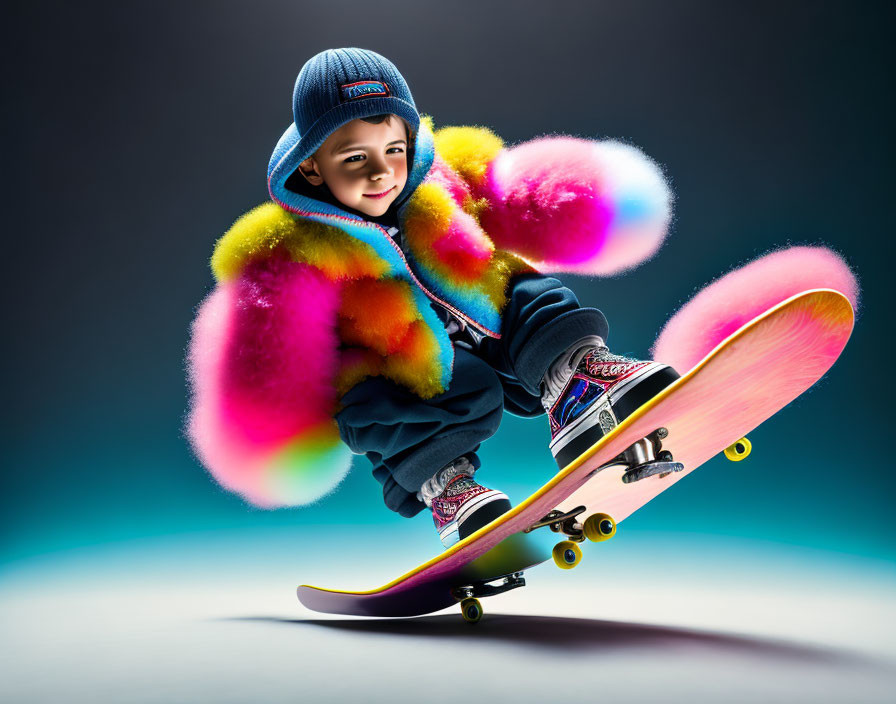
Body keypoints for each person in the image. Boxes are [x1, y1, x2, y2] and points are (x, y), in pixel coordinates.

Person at [185, 47, 679, 549]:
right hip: (406, 365)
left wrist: (594, 203)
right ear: (312, 166)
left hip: (493, 321)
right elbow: (271, 338)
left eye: (393, 151)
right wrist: (274, 429)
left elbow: (513, 193)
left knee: (528, 295)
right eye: (355, 158)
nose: (381, 173)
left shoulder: (442, 176)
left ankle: (579, 384)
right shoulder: (295, 249)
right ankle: (447, 485)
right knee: (385, 402)